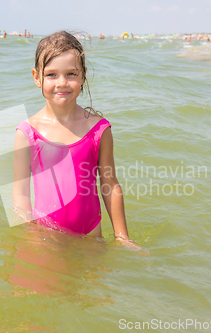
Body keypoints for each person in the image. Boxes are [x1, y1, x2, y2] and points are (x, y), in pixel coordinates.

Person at [13, 31, 139, 249]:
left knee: (93, 283)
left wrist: (122, 237)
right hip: (46, 237)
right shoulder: (28, 132)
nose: (62, 83)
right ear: (36, 77)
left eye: (71, 73)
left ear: (83, 76)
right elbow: (20, 194)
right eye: (51, 75)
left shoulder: (99, 130)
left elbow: (109, 185)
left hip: (90, 237)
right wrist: (32, 234)